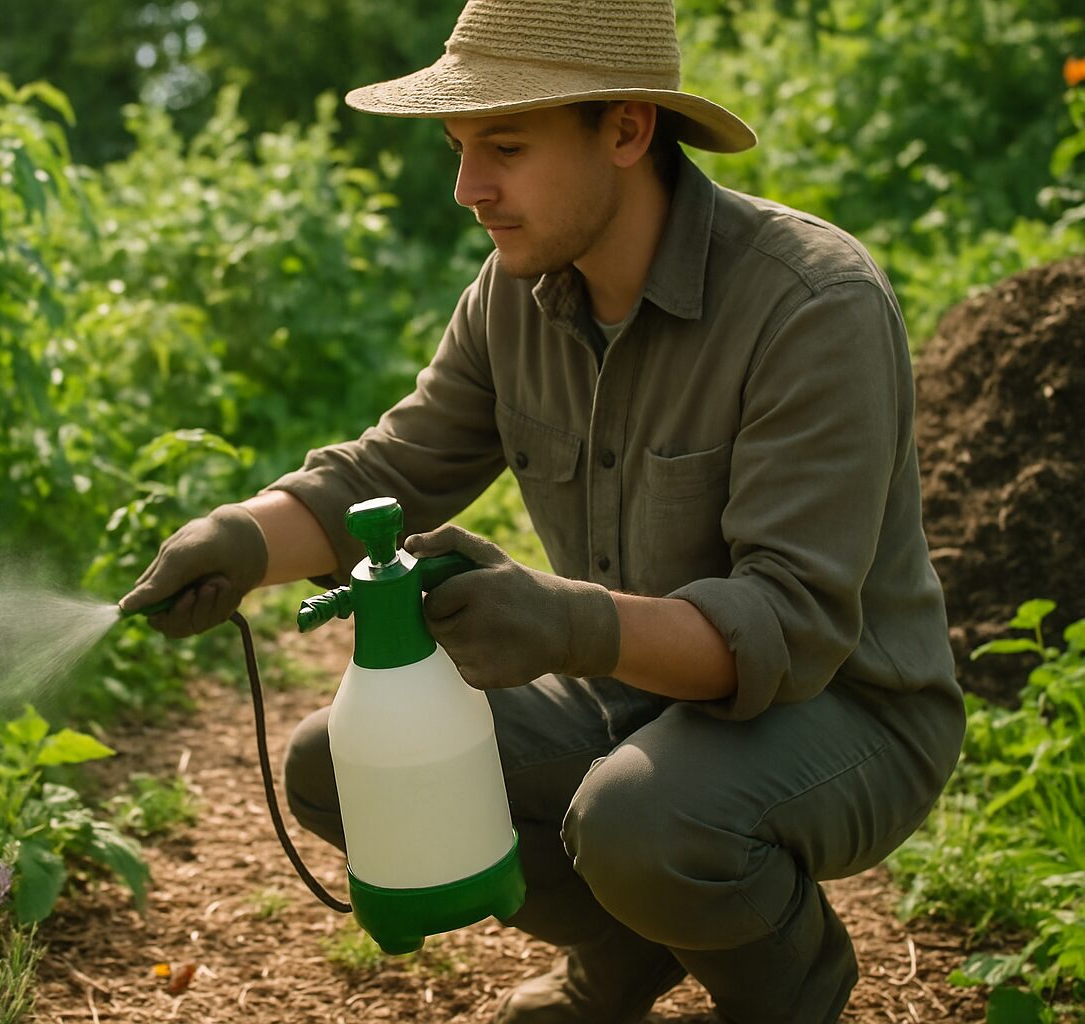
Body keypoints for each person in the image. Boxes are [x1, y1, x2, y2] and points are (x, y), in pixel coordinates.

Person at [118, 0, 967, 1020]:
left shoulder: (812, 305)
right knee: (339, 766)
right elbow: (394, 464)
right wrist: (243, 538)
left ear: (625, 130)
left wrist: (566, 621)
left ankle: (790, 985)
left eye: (505, 146)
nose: (469, 188)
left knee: (643, 822)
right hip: (638, 688)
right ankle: (627, 959)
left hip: (846, 709)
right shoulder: (513, 296)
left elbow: (786, 628)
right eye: (459, 147)